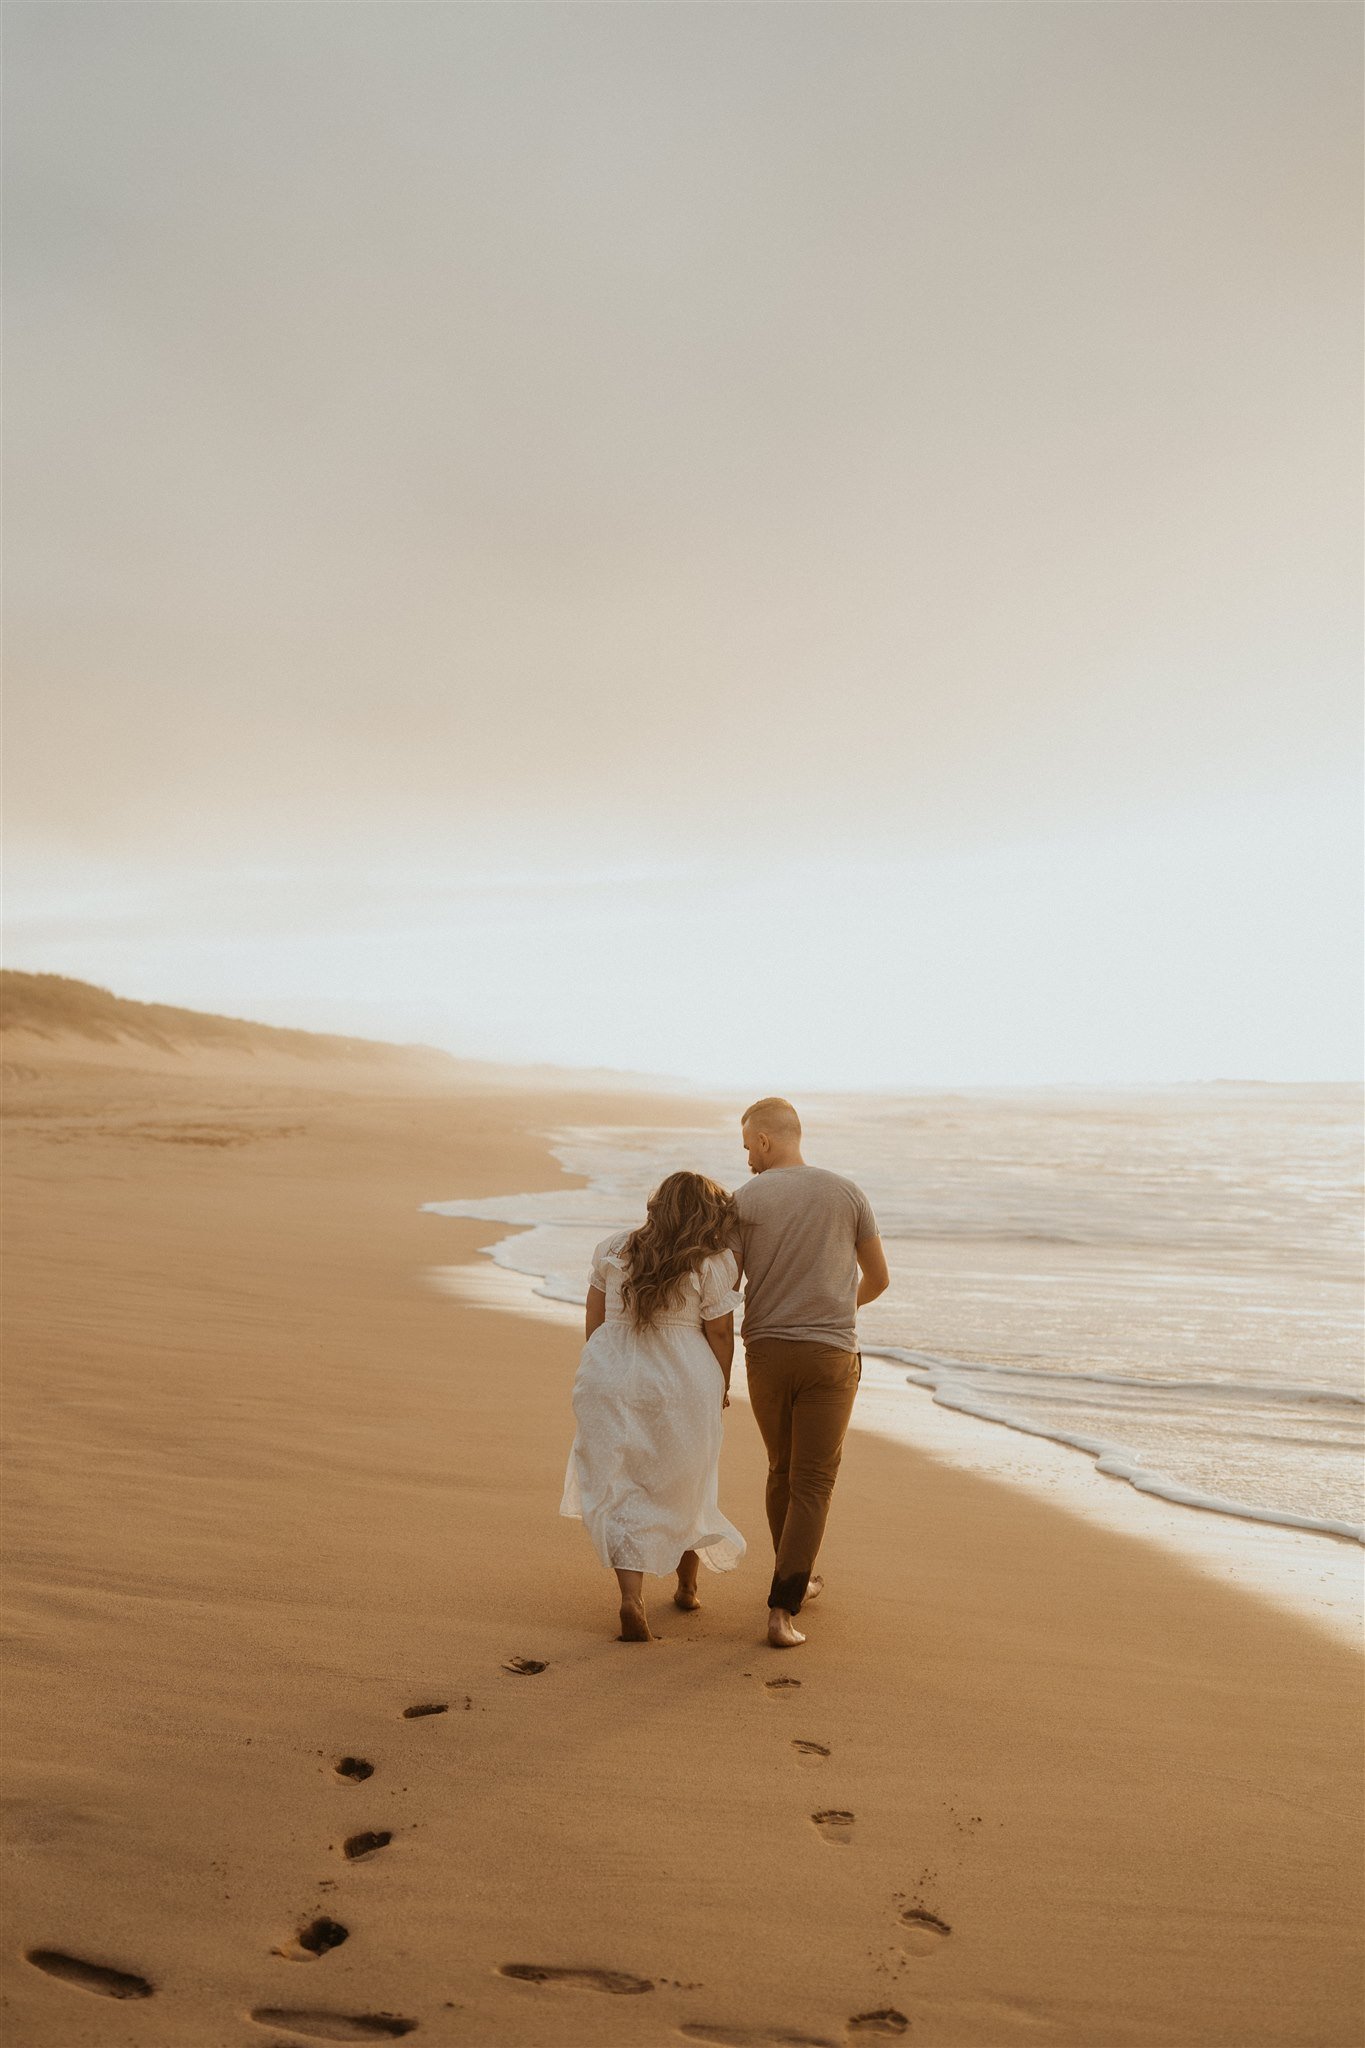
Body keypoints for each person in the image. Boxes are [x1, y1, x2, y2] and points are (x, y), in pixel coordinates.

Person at [561, 1171, 746, 1642]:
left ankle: (630, 1597)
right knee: (686, 1478)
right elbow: (721, 1332)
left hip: (611, 1372)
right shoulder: (713, 1262)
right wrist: (722, 1384)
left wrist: (601, 1369)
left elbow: (596, 1317)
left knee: (622, 1482)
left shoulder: (613, 1247)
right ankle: (687, 1587)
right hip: (682, 1376)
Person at [733, 1097, 889, 1649]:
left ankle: (793, 1580)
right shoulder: (846, 1192)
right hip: (828, 1354)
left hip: (767, 1354)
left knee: (782, 1470)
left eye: (748, 1142)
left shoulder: (744, 1199)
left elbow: (723, 1288)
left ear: (767, 1140)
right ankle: (782, 1608)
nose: (746, 1154)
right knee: (814, 1482)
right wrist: (834, 1311)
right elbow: (879, 1278)